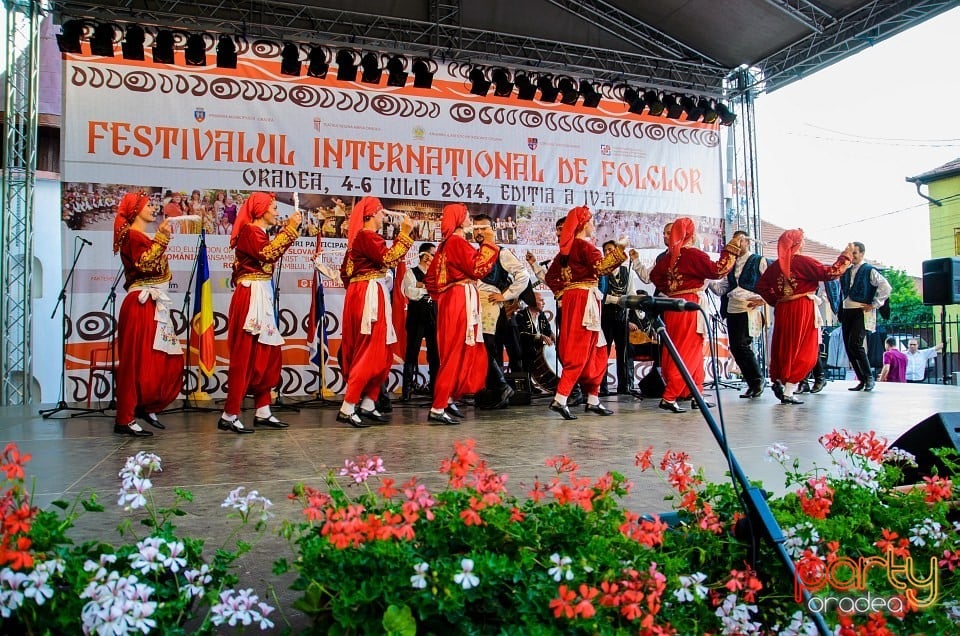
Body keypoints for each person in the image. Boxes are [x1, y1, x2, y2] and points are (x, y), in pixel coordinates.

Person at [218, 192, 302, 434]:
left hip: (261, 292)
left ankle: (263, 409)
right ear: (261, 210)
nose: (277, 212)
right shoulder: (250, 232)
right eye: (274, 207)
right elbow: (268, 254)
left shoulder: (261, 233)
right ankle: (229, 413)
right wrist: (290, 230)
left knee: (266, 353)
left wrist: (287, 232)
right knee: (245, 355)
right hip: (251, 296)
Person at [336, 197, 414, 427]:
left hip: (368, 291)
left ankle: (369, 403)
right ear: (369, 216)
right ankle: (348, 406)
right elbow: (389, 258)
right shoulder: (366, 236)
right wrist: (405, 234)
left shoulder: (359, 240)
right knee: (370, 351)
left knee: (383, 351)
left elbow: (346, 273)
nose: (384, 217)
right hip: (369, 294)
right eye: (381, 213)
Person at [112, 192, 184, 437]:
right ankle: (125, 417)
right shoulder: (131, 236)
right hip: (140, 304)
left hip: (152, 302)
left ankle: (145, 405)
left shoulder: (142, 236)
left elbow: (160, 270)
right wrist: (162, 239)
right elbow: (145, 264)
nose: (153, 209)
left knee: (159, 357)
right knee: (135, 362)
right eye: (148, 205)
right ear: (135, 210)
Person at [544, 206, 626, 420]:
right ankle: (561, 398)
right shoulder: (585, 246)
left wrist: (563, 294)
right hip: (584, 301)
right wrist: (620, 250)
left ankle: (593, 398)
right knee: (581, 349)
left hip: (577, 300)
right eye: (591, 221)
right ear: (583, 224)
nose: (593, 225)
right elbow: (601, 268)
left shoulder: (566, 250)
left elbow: (551, 277)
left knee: (597, 348)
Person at [649, 217, 739, 413]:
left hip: (674, 306)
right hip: (689, 305)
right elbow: (717, 271)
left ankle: (696, 393)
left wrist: (671, 289)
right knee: (688, 351)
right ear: (691, 234)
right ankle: (670, 395)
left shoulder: (668, 258)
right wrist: (730, 250)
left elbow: (654, 276)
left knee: (689, 349)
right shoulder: (693, 255)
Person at [755, 229, 853, 404]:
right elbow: (829, 273)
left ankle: (780, 380)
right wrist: (845, 258)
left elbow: (761, 286)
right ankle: (789, 389)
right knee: (804, 348)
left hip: (783, 308)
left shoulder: (776, 265)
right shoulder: (802, 261)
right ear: (798, 244)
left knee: (784, 346)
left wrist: (776, 301)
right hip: (802, 307)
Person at [424, 203, 499, 425]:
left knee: (456, 352)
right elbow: (478, 268)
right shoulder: (456, 242)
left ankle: (446, 399)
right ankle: (438, 406)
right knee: (455, 352)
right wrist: (489, 242)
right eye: (466, 215)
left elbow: (431, 279)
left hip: (455, 299)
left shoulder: (446, 244)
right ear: (458, 219)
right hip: (459, 300)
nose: (469, 218)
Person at [474, 213, 527, 409]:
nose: (479, 232)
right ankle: (494, 392)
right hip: (478, 306)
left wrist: (505, 296)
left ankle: (501, 388)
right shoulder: (476, 253)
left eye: (483, 228)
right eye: (476, 229)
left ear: (493, 230)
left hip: (494, 307)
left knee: (490, 348)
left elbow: (523, 275)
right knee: (486, 348)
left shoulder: (502, 252)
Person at [707, 230, 768, 399]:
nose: (736, 244)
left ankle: (757, 380)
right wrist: (707, 278)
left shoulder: (758, 260)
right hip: (733, 307)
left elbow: (771, 282)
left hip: (748, 307)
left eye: (739, 241)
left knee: (742, 345)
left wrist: (763, 299)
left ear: (747, 242)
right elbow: (721, 289)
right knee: (735, 346)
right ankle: (752, 382)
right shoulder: (731, 264)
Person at [838, 242, 892, 391]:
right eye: (851, 253)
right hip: (847, 311)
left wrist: (875, 304)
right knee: (849, 347)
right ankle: (861, 379)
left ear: (862, 254)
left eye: (855, 253)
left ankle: (869, 377)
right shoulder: (847, 271)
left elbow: (886, 287)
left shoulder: (869, 270)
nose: (853, 256)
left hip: (861, 311)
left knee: (855, 343)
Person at [400, 242, 440, 401]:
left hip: (433, 313)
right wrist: (427, 287)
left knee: (434, 352)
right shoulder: (411, 272)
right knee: (412, 351)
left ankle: (435, 386)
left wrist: (422, 286)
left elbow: (438, 289)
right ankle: (407, 390)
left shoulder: (437, 273)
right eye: (432, 254)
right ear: (424, 255)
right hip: (417, 315)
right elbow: (411, 292)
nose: (434, 257)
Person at [598, 240, 638, 395]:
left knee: (625, 352)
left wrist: (632, 315)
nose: (608, 253)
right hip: (606, 317)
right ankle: (601, 387)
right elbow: (601, 296)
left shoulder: (626, 271)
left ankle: (626, 385)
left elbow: (631, 293)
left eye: (611, 250)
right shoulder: (601, 272)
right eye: (606, 250)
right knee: (603, 352)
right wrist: (617, 299)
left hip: (622, 317)